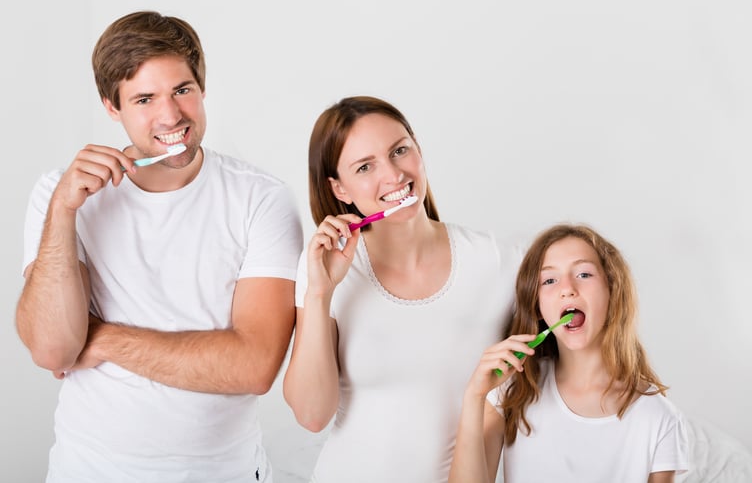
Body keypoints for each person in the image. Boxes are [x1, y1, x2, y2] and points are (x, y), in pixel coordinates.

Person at [15, 11, 303, 482]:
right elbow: (52, 350)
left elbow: (255, 366)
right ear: (112, 106)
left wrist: (102, 338)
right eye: (144, 98)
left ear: (202, 88)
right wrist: (64, 211)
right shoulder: (60, 195)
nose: (171, 116)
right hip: (88, 470)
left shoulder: (261, 198)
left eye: (182, 91)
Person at [282, 96, 522, 482]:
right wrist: (319, 293)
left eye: (399, 151)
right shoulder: (325, 271)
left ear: (418, 149)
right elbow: (311, 416)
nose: (394, 175)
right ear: (339, 189)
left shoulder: (497, 261)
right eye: (365, 166)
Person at [449, 224, 689, 483]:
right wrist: (475, 395)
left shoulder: (658, 418)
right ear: (538, 306)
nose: (567, 288)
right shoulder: (514, 390)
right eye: (549, 280)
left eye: (584, 274)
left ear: (613, 291)